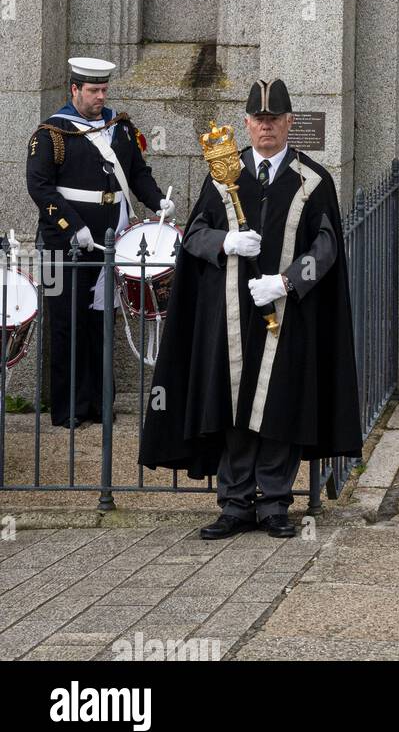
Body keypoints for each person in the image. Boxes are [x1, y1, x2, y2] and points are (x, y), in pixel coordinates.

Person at [139, 78, 361, 539]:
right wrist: (226, 241)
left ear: (289, 122)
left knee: (280, 404)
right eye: (259, 120)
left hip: (287, 313)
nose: (267, 128)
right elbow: (194, 235)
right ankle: (236, 503)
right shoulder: (223, 175)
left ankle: (276, 504)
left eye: (275, 119)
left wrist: (286, 281)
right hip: (229, 316)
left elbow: (327, 246)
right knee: (233, 406)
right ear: (247, 124)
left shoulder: (313, 179)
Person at [25, 57, 174, 428]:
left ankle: (98, 404)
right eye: (93, 90)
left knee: (100, 321)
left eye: (104, 89)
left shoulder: (119, 128)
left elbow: (138, 174)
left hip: (114, 239)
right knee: (67, 322)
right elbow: (39, 187)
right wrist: (71, 225)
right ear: (74, 90)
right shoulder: (52, 134)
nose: (99, 96)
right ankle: (69, 408)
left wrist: (158, 201)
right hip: (66, 242)